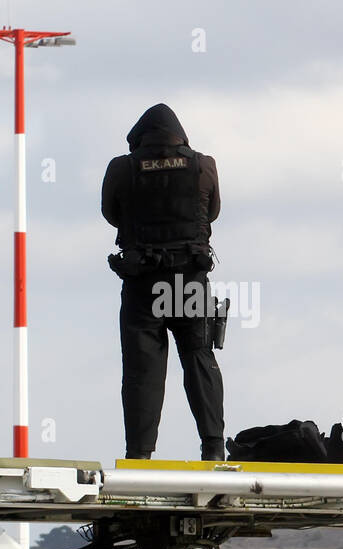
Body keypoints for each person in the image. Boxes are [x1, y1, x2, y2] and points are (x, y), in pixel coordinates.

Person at [102, 103, 224, 461]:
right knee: (200, 359)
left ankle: (139, 455)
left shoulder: (122, 168)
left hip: (143, 284)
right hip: (190, 281)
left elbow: (111, 214)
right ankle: (214, 449)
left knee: (142, 371)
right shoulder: (204, 165)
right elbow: (213, 210)